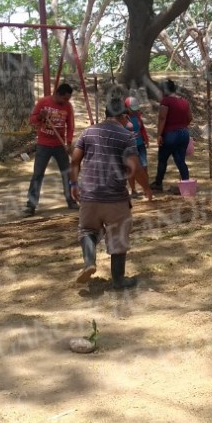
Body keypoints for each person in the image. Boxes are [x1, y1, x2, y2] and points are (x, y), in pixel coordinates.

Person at [69, 97, 153, 289]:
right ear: (123, 117)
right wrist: (147, 187)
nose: (129, 122)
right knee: (118, 236)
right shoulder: (126, 136)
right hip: (115, 198)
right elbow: (135, 167)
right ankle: (118, 280)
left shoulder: (88, 132)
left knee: (87, 230)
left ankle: (89, 262)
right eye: (127, 118)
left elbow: (75, 161)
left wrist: (73, 184)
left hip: (89, 196)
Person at [24, 83, 77, 216]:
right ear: (58, 94)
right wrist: (41, 116)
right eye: (65, 99)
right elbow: (32, 120)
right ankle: (31, 206)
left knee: (67, 173)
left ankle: (71, 200)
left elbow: (70, 126)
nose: (66, 102)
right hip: (43, 145)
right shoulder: (43, 102)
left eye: (68, 99)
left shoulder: (68, 106)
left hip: (60, 146)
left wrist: (69, 142)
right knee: (37, 175)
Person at [149, 79, 192, 192]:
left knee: (163, 159)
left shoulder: (166, 101)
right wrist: (182, 126)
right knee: (180, 160)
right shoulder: (184, 101)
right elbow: (189, 118)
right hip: (184, 133)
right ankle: (186, 184)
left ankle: (158, 183)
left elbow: (162, 118)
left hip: (170, 135)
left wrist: (159, 135)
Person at [124, 96, 149, 198]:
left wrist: (146, 139)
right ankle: (133, 190)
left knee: (144, 166)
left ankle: (146, 189)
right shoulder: (123, 118)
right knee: (131, 168)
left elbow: (142, 128)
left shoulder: (138, 116)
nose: (134, 111)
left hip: (140, 144)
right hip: (129, 146)